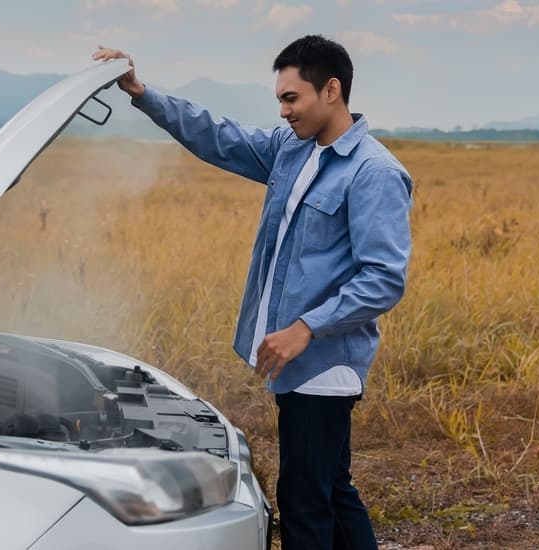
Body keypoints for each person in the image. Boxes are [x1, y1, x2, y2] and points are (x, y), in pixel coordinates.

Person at [93, 35, 412, 550]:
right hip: (298, 360)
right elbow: (219, 136)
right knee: (331, 489)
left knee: (305, 501)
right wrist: (141, 93)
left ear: (332, 90)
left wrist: (305, 329)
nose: (284, 111)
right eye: (280, 100)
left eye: (292, 98)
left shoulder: (374, 173)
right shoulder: (293, 149)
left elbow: (383, 278)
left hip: (325, 365)